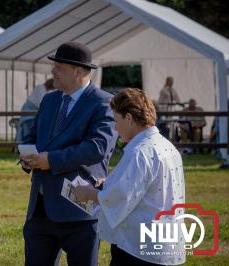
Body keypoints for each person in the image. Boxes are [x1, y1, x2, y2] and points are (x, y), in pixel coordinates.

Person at [19, 42, 117, 266]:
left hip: (79, 209)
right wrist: (27, 155)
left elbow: (97, 148)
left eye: (59, 66)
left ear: (79, 71)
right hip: (40, 210)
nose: (52, 71)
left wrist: (50, 160)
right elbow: (33, 137)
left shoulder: (103, 102)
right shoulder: (49, 99)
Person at [73, 88, 186, 265]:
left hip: (138, 250)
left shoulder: (139, 152)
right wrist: (109, 183)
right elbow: (143, 187)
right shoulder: (167, 147)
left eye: (116, 120)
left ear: (128, 118)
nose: (115, 128)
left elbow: (121, 197)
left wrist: (88, 194)